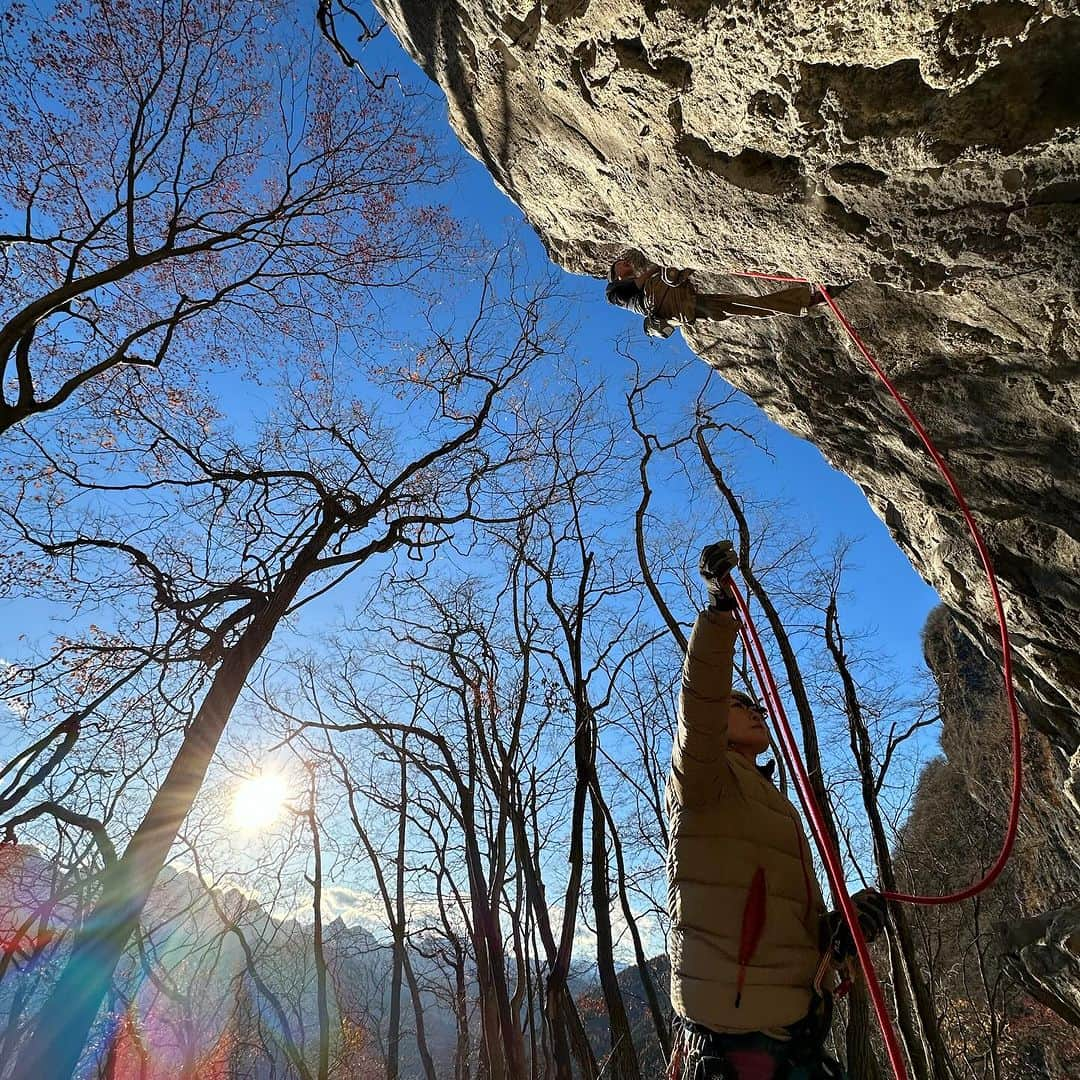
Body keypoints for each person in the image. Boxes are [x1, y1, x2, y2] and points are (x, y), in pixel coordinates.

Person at [667, 541, 888, 1080]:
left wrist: (834, 932)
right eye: (745, 706)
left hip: (792, 1037)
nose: (758, 710)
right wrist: (722, 612)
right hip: (742, 1045)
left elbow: (771, 910)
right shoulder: (704, 781)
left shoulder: (768, 800)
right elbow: (700, 701)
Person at [605, 257, 847, 339]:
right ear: (615, 274)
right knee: (672, 271)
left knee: (745, 306)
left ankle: (809, 299)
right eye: (621, 264)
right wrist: (659, 263)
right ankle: (676, 269)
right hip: (663, 299)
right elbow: (639, 283)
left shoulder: (628, 288)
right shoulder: (613, 292)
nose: (626, 263)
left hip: (682, 310)